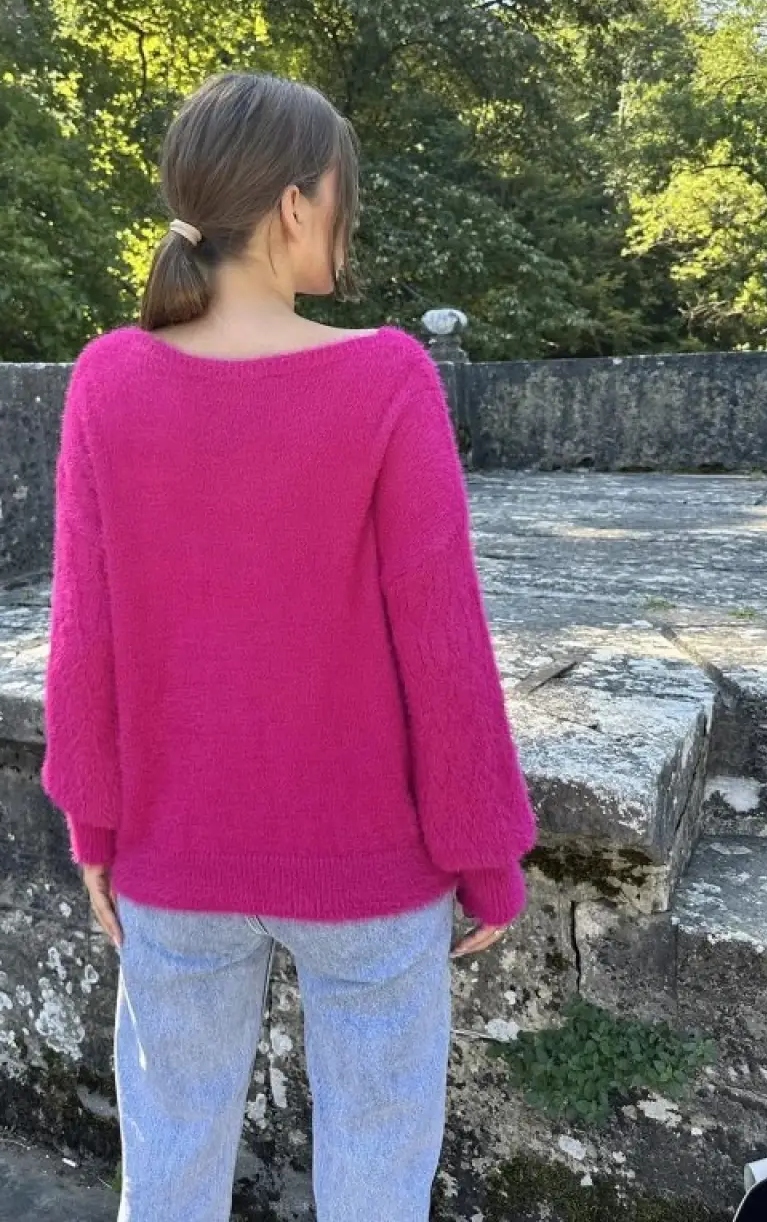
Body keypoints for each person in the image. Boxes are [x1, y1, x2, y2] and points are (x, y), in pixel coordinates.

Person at [41, 72, 536, 1222]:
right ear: (297, 204)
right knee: (376, 1174)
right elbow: (443, 644)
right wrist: (485, 857)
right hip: (371, 873)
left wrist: (95, 829)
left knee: (169, 1170)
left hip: (173, 861)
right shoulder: (388, 376)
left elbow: (83, 637)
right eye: (340, 195)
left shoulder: (108, 379)